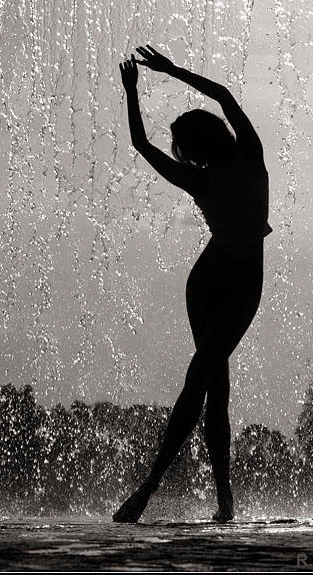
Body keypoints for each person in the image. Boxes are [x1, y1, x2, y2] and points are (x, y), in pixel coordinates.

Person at [114, 45, 272, 523]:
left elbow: (141, 144)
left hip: (210, 279)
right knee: (207, 380)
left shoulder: (203, 178)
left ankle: (209, 496)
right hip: (238, 280)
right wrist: (171, 71)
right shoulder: (250, 155)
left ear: (194, 149)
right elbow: (223, 95)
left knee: (208, 380)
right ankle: (164, 490)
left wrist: (133, 91)